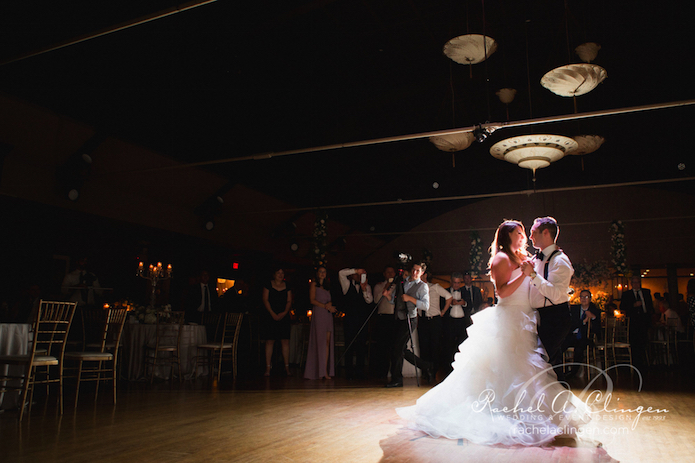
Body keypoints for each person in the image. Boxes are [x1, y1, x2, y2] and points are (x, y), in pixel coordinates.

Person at [397, 220, 590, 446]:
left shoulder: (523, 257)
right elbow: (502, 290)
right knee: (509, 370)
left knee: (526, 371)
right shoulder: (501, 258)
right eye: (519, 232)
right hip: (509, 318)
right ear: (508, 235)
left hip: (526, 319)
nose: (524, 235)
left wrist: (529, 273)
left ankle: (535, 414)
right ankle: (507, 414)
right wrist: (525, 275)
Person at [520, 216, 573, 381]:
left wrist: (533, 275)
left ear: (545, 233)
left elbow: (556, 294)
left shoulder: (560, 261)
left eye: (533, 232)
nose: (530, 237)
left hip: (556, 317)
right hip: (540, 317)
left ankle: (559, 401)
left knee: (544, 364)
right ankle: (557, 402)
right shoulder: (536, 260)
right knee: (548, 367)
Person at [383, 261, 431, 388]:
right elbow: (395, 301)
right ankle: (425, 366)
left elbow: (426, 306)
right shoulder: (403, 282)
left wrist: (411, 299)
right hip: (398, 318)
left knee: (397, 349)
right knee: (400, 349)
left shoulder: (422, 286)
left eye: (418, 271)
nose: (415, 273)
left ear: (422, 273)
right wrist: (388, 297)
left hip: (410, 319)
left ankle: (397, 378)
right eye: (413, 270)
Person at [338, 267, 373, 379]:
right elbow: (341, 273)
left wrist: (363, 290)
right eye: (358, 275)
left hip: (362, 320)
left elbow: (369, 300)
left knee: (361, 345)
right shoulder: (347, 285)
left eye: (362, 275)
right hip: (350, 320)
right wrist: (356, 270)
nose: (359, 277)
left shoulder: (367, 287)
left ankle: (360, 371)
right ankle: (348, 371)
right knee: (349, 344)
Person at [304, 267, 337, 380]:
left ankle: (325, 370)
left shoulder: (327, 287)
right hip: (319, 313)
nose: (322, 273)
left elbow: (331, 299)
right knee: (320, 341)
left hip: (327, 314)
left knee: (327, 342)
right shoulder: (314, 284)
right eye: (320, 272)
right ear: (317, 274)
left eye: (324, 271)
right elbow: (312, 300)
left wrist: (330, 305)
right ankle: (319, 370)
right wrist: (325, 306)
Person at [419, 271, 452, 383]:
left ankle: (433, 371)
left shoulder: (434, 287)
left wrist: (443, 311)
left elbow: (449, 297)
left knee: (434, 346)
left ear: (425, 275)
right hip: (423, 319)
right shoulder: (417, 288)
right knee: (423, 346)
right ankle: (425, 371)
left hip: (434, 319)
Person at [562, 290, 602, 378]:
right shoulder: (574, 309)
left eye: (586, 297)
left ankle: (573, 373)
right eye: (582, 297)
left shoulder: (595, 311)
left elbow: (598, 330)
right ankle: (559, 372)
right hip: (572, 336)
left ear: (590, 299)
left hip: (585, 338)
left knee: (579, 349)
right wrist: (583, 322)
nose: (584, 299)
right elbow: (570, 325)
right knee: (560, 347)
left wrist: (593, 318)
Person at [261, 267, 293, 376]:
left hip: (283, 315)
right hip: (270, 315)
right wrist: (272, 313)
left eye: (282, 273)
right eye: (278, 272)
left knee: (285, 341)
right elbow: (265, 299)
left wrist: (284, 312)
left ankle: (287, 367)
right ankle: (268, 368)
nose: (280, 275)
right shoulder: (268, 284)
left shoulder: (287, 286)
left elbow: (289, 301)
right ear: (274, 274)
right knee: (270, 341)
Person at [619, 275, 654, 368]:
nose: (636, 284)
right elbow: (622, 307)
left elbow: (650, 306)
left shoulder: (646, 292)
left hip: (644, 320)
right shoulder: (627, 294)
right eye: (634, 282)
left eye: (638, 282)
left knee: (644, 341)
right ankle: (636, 363)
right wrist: (633, 305)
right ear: (631, 284)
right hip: (633, 322)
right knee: (634, 342)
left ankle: (645, 361)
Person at [371, 266, 397, 379]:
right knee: (382, 346)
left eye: (392, 272)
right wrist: (386, 287)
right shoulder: (379, 286)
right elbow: (376, 300)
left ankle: (394, 372)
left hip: (394, 318)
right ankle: (382, 372)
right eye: (388, 272)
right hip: (383, 317)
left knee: (394, 346)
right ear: (384, 274)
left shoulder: (398, 286)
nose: (390, 274)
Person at [442, 271, 471, 368]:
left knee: (462, 344)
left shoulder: (465, 291)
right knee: (449, 345)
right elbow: (441, 307)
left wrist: (464, 303)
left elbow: (470, 306)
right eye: (455, 282)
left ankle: (462, 367)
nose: (457, 285)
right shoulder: (445, 292)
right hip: (450, 322)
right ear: (451, 282)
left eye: (458, 282)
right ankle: (448, 367)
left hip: (462, 322)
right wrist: (450, 304)